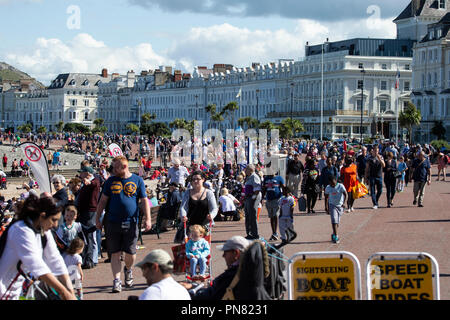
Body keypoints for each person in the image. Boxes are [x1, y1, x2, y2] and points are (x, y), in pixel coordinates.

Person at [0, 195, 76, 300]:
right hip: (3, 290)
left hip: (13, 292)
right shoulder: (21, 230)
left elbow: (56, 260)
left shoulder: (44, 230)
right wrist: (64, 292)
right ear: (42, 216)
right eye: (53, 219)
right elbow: (36, 265)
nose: (55, 225)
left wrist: (70, 291)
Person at [95, 156, 151, 293]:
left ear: (124, 167)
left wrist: (148, 219)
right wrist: (97, 218)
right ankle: (117, 280)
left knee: (130, 252)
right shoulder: (110, 181)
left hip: (130, 222)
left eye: (115, 167)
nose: (113, 170)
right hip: (112, 221)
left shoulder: (137, 180)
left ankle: (128, 269)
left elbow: (144, 201)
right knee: (114, 253)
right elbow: (102, 201)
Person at [181, 235, 250, 300]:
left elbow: (209, 296)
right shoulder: (251, 270)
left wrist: (193, 289)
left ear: (236, 253)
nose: (223, 255)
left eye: (225, 252)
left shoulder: (231, 276)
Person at [77, 166, 101, 269]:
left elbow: (95, 183)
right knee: (85, 235)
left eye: (81, 173)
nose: (80, 175)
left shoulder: (94, 181)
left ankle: (89, 260)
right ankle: (87, 259)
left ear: (87, 173)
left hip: (89, 211)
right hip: (85, 211)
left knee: (89, 236)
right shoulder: (88, 182)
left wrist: (88, 182)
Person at [262, 171, 285, 240]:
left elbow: (283, 187)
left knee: (275, 215)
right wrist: (262, 198)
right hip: (269, 199)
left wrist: (285, 196)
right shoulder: (266, 179)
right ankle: (274, 233)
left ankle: (275, 233)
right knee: (271, 216)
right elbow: (264, 189)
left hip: (277, 199)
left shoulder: (279, 178)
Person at [324, 175, 348, 244]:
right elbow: (326, 197)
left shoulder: (340, 186)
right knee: (334, 220)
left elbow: (346, 194)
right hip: (332, 205)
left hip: (340, 206)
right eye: (331, 184)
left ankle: (334, 233)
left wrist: (344, 203)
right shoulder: (328, 188)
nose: (332, 185)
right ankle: (336, 236)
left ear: (336, 181)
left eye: (333, 183)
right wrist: (326, 207)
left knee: (337, 223)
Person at [243, 164, 262, 240]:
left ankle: (255, 234)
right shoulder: (248, 177)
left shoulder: (254, 177)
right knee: (247, 216)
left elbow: (257, 187)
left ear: (250, 170)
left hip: (252, 197)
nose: (245, 170)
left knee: (252, 216)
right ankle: (249, 233)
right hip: (248, 197)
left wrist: (254, 196)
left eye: (246, 169)